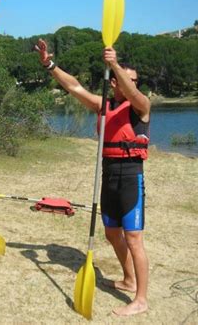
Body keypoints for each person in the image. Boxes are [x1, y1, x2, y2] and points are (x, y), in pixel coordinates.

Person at [35, 39, 150, 316]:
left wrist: (113, 64)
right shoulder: (104, 106)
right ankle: (128, 278)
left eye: (135, 80)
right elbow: (74, 87)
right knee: (112, 234)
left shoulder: (142, 106)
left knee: (133, 238)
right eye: (126, 79)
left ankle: (141, 299)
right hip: (108, 175)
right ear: (113, 83)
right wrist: (49, 64)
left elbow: (135, 95)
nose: (132, 84)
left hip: (130, 177)